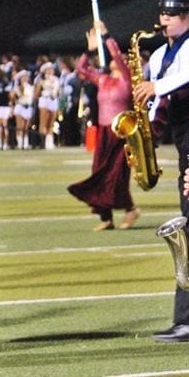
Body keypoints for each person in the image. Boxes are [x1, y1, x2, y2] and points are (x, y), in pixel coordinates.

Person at [135, 0, 189, 343]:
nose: (166, 19)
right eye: (164, 11)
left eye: (174, 13)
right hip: (187, 147)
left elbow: (187, 76)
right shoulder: (163, 51)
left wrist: (156, 87)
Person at [67, 21, 138, 231]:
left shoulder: (127, 79)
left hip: (122, 133)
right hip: (104, 132)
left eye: (124, 59)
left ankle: (130, 209)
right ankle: (106, 218)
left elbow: (116, 55)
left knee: (116, 175)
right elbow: (81, 69)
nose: (120, 60)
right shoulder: (103, 79)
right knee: (99, 172)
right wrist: (88, 51)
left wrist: (106, 36)